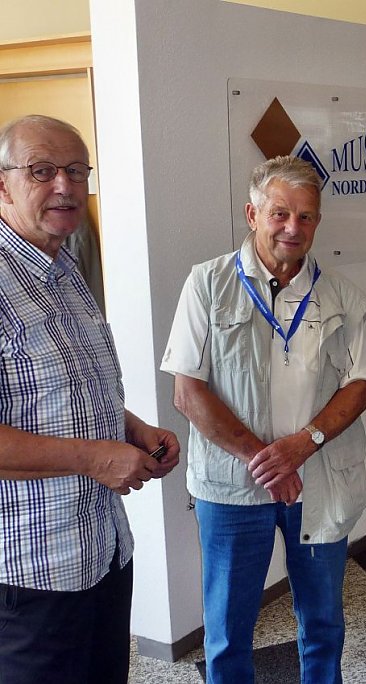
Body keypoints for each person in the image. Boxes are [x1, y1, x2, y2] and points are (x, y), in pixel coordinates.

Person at [161, 155, 366, 684]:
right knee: (228, 632)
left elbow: (360, 385)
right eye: (280, 213)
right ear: (252, 214)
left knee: (323, 623)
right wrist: (266, 460)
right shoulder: (208, 283)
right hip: (233, 488)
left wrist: (301, 446)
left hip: (318, 480)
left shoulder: (340, 294)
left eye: (306, 216)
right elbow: (188, 392)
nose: (292, 227)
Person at [0, 114, 180, 684]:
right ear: (3, 185)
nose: (65, 185)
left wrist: (130, 429)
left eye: (77, 171)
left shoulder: (66, 266)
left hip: (103, 551)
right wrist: (96, 458)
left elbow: (66, 391)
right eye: (42, 171)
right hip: (32, 575)